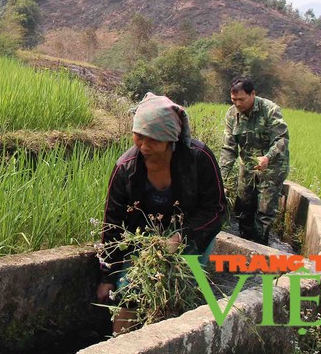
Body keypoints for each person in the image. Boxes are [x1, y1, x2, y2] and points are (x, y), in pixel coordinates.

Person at [96, 92, 226, 334]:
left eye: (153, 140)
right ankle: (118, 342)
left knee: (179, 289)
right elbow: (112, 222)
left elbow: (216, 209)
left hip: (191, 235)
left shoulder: (199, 159)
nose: (144, 146)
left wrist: (181, 236)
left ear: (170, 139)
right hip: (147, 240)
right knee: (129, 293)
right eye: (139, 137)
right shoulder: (126, 168)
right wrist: (107, 276)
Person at [219, 76, 290, 246]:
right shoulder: (231, 114)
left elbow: (281, 139)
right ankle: (243, 244)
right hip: (248, 166)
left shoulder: (270, 110)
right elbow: (229, 149)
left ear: (253, 94)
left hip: (272, 167)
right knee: (244, 206)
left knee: (264, 212)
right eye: (233, 99)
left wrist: (267, 157)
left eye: (241, 99)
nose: (237, 104)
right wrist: (219, 178)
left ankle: (261, 249)